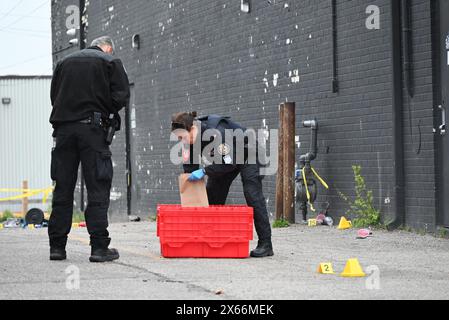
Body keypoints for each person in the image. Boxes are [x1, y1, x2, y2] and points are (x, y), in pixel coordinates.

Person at [49, 36, 130, 262]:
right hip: (93, 131)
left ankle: (57, 247)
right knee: (98, 188)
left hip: (63, 131)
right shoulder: (110, 61)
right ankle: (99, 248)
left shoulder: (63, 63)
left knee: (62, 188)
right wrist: (104, 111)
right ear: (108, 47)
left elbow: (54, 96)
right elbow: (121, 96)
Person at [171, 112, 274, 257]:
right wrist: (190, 183)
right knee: (212, 194)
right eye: (179, 138)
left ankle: (266, 244)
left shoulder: (217, 133)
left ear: (192, 129)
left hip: (248, 153)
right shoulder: (189, 141)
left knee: (252, 193)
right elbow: (190, 170)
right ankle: (209, 239)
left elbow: (229, 164)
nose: (181, 141)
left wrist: (204, 171)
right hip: (227, 160)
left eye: (182, 137)